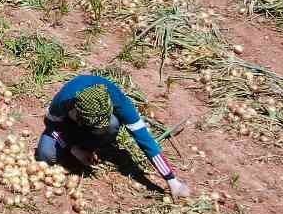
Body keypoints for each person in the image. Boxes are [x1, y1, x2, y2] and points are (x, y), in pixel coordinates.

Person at [37, 75, 190, 200]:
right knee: (46, 155)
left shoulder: (118, 100)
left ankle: (91, 146)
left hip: (93, 131)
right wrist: (74, 149)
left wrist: (171, 180)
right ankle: (78, 147)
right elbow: (51, 125)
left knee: (111, 124)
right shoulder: (64, 100)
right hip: (68, 127)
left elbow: (146, 141)